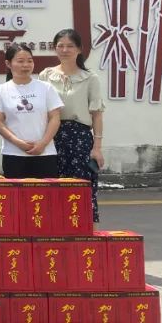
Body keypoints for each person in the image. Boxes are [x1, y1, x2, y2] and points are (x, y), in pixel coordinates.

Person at [40, 28, 106, 221]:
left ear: (79, 49)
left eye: (70, 46)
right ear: (54, 48)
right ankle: (56, 231)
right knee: (53, 187)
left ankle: (85, 231)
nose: (65, 50)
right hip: (52, 137)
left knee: (81, 188)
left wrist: (97, 148)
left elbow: (97, 115)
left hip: (79, 139)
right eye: (60, 46)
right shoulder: (45, 76)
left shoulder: (90, 78)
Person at [0, 43, 63, 179]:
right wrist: (18, 142)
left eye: (29, 61)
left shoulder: (46, 88)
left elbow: (55, 117)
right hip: (14, 154)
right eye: (20, 61)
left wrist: (43, 143)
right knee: (17, 192)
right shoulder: (0, 91)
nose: (26, 65)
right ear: (8, 63)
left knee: (45, 191)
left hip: (45, 153)